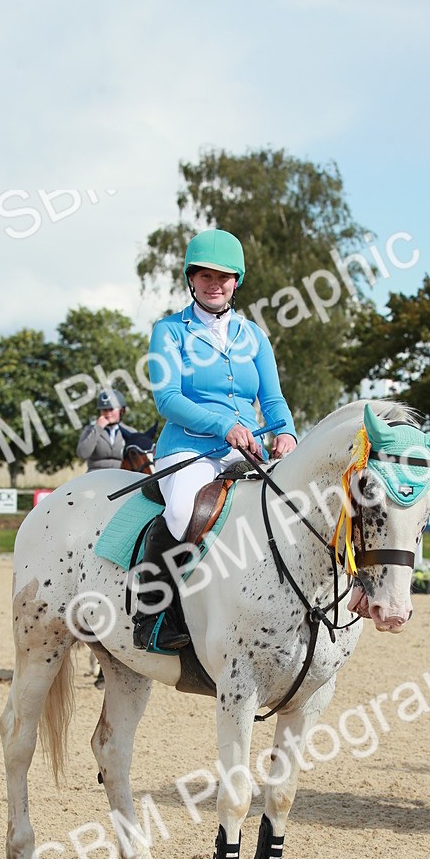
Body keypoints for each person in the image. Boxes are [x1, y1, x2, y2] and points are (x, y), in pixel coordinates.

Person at [132, 228, 298, 652]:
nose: (214, 284)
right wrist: (222, 427)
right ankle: (152, 616)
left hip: (251, 449)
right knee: (183, 511)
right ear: (191, 278)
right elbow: (167, 398)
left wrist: (287, 432)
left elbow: (273, 398)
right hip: (190, 448)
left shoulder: (254, 336)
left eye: (223, 277)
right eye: (204, 276)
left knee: (297, 507)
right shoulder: (169, 331)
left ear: (236, 282)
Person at [76, 388, 135, 470]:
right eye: (104, 410)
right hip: (96, 475)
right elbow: (82, 454)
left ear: (121, 410)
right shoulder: (89, 430)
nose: (108, 413)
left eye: (111, 409)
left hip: (122, 475)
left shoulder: (131, 432)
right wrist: (97, 429)